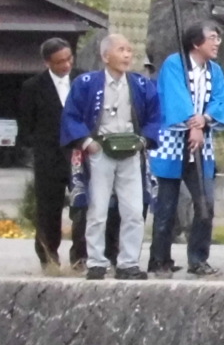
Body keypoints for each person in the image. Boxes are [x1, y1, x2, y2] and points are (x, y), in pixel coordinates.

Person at [59, 32, 161, 281]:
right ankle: (96, 262)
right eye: (121, 50)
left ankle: (128, 263)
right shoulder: (86, 83)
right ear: (105, 56)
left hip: (131, 152)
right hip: (100, 151)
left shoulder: (141, 84)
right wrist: (87, 142)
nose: (127, 55)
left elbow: (155, 116)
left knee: (134, 210)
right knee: (98, 209)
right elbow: (71, 115)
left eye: (129, 50)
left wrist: (144, 140)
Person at [148, 21, 224, 279]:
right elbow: (175, 97)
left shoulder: (215, 71)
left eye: (218, 38)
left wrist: (204, 119)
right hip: (172, 142)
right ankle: (159, 259)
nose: (217, 43)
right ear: (196, 43)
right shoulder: (175, 64)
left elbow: (220, 99)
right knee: (167, 206)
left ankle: (198, 258)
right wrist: (191, 123)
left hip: (201, 145)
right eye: (212, 38)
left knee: (205, 203)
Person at [16, 37, 75, 275]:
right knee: (48, 210)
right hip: (48, 157)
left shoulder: (83, 79)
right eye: (60, 62)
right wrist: (39, 148)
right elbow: (25, 126)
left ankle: (81, 257)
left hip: (79, 154)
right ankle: (49, 257)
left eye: (69, 59)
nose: (66, 65)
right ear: (47, 63)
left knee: (84, 206)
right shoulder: (32, 87)